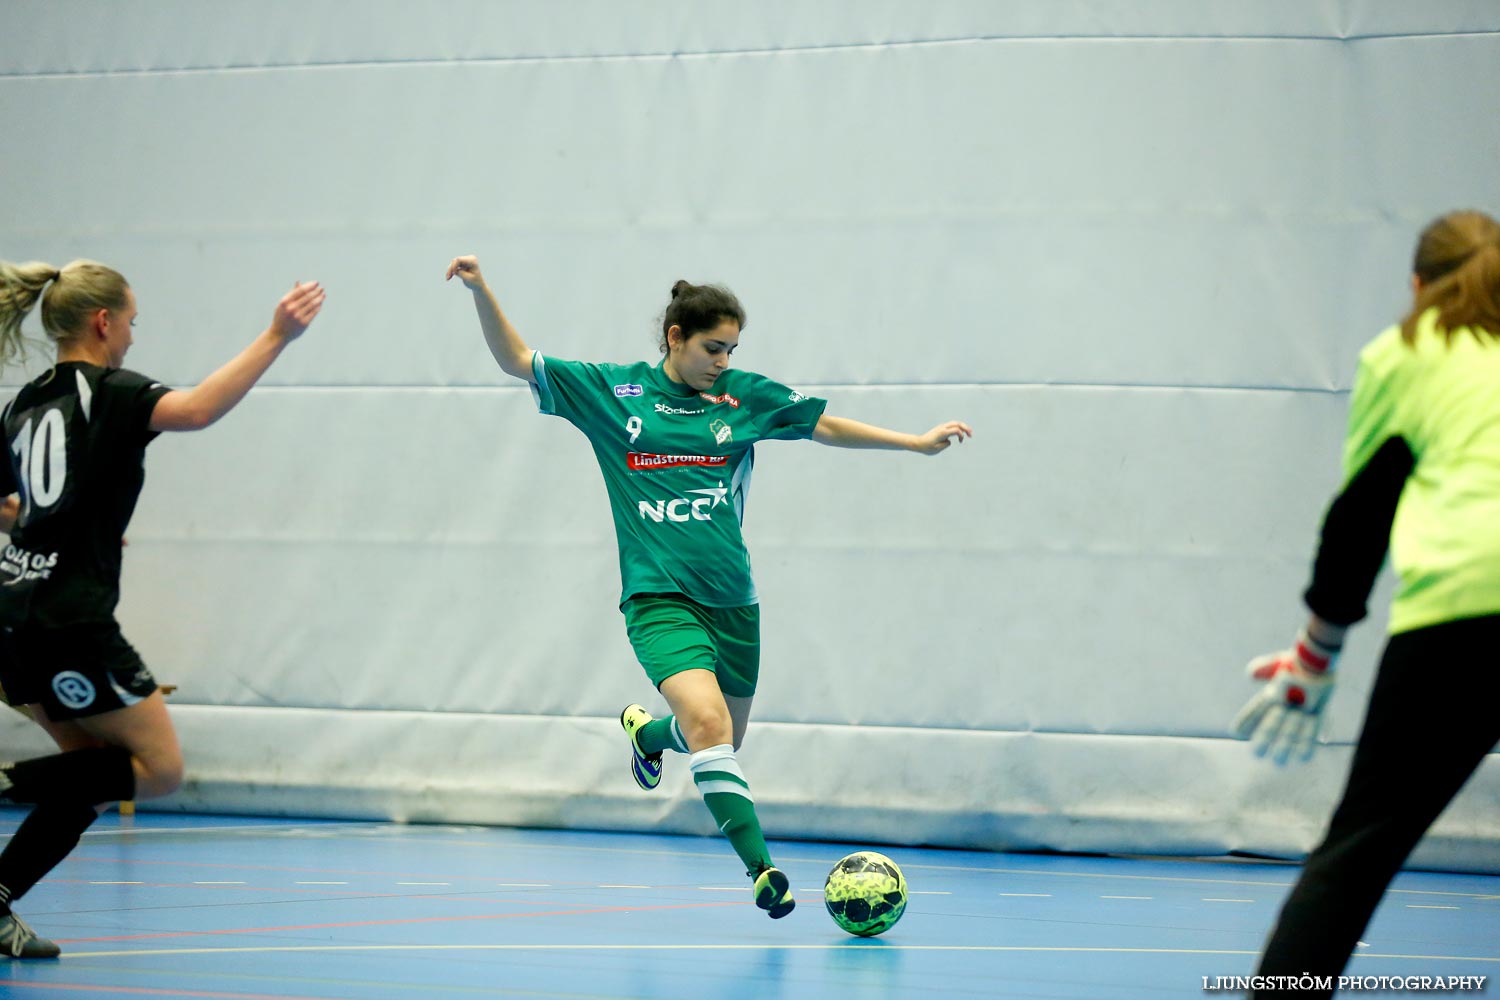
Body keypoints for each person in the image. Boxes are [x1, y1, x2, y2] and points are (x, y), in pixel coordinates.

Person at [447, 255, 971, 918]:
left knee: (720, 737)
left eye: (731, 349)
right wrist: (481, 289)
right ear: (675, 338)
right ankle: (763, 871)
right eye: (712, 347)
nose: (723, 360)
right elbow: (517, 359)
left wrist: (915, 444)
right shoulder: (616, 394)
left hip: (733, 602)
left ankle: (647, 735)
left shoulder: (742, 396)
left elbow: (824, 425)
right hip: (658, 597)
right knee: (708, 723)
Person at [0, 259, 324, 958]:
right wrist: (277, 336)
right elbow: (199, 408)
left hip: (15, 612)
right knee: (159, 768)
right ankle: (5, 783)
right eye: (133, 323)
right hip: (70, 620)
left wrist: (67, 527)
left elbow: (11, 509)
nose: (133, 339)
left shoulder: (23, 403)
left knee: (88, 776)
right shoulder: (110, 391)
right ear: (103, 321)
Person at [1232, 209, 1500, 997]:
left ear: (1418, 287)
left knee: (1360, 850)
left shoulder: (1405, 353)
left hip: (1467, 610)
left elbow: (1361, 520)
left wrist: (1316, 656)